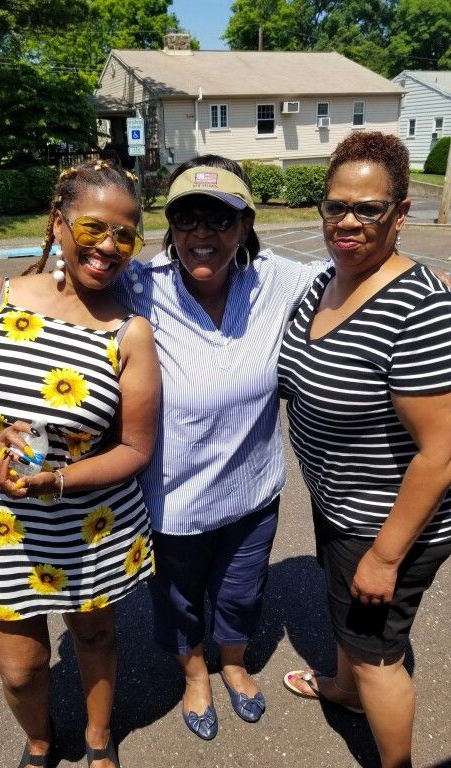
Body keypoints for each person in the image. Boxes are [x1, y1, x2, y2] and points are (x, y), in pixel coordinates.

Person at [0, 155, 325, 742]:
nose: (204, 232)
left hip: (251, 490)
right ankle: (193, 674)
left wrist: (426, 285)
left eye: (221, 220)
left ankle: (233, 663)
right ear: (171, 230)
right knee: (175, 607)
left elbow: (358, 277)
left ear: (246, 226)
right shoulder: (145, 286)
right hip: (170, 499)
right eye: (188, 218)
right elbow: (60, 283)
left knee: (241, 594)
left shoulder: (280, 281)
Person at [0, 159, 161, 768]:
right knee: (22, 669)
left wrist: (56, 478)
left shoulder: (128, 332)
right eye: (93, 229)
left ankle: (100, 737)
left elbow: (135, 447)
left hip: (90, 523)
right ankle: (40, 739)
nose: (109, 246)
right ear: (58, 223)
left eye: (125, 234)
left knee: (96, 635)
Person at [278, 132, 451, 768]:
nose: (348, 220)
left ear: (400, 214)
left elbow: (442, 452)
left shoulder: (418, 307)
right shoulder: (329, 279)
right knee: (347, 625)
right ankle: (344, 691)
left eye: (369, 208)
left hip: (388, 523)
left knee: (380, 655)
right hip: (341, 504)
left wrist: (383, 557)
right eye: (336, 206)